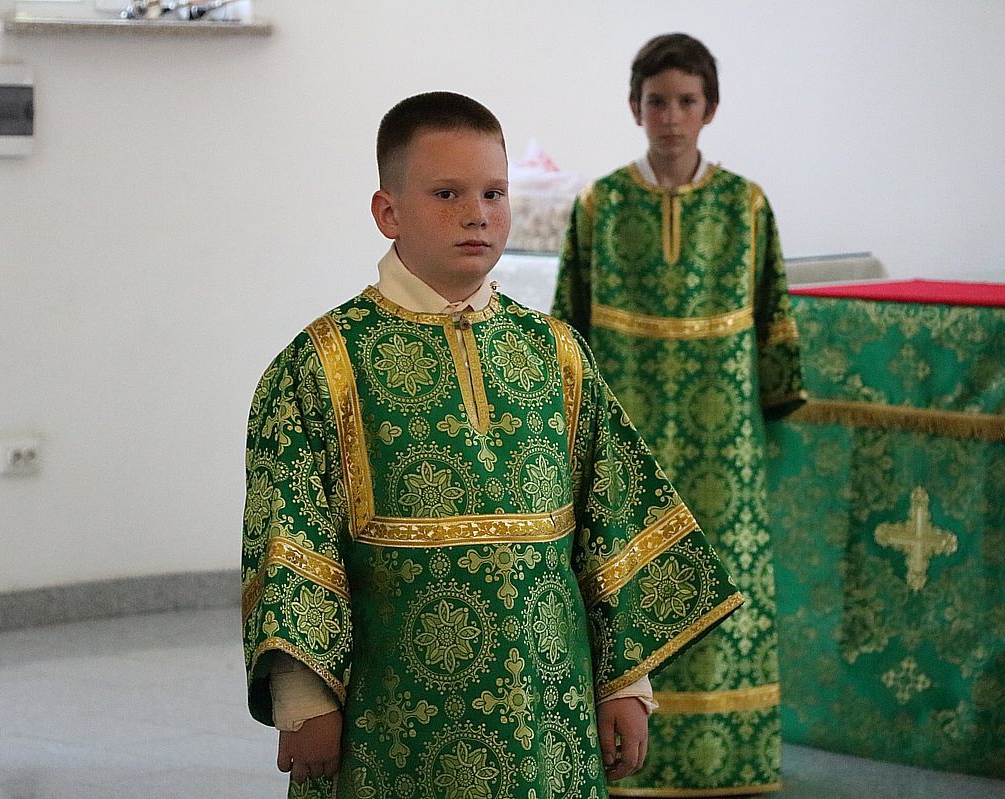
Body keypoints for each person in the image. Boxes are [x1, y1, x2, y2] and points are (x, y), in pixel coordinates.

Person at [242, 90, 744, 798]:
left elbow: (611, 525)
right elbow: (292, 541)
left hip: (549, 715)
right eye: (446, 193)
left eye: (493, 193)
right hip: (391, 721)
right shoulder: (321, 365)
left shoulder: (555, 353)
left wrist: (626, 684)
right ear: (388, 212)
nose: (476, 213)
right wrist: (303, 698)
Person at [552, 34, 806, 797]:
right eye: (656, 101)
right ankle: (622, 751)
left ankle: (728, 758)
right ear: (634, 108)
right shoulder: (598, 205)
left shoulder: (745, 205)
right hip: (624, 432)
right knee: (623, 581)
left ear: (710, 109)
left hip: (723, 443)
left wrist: (772, 401)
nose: (670, 117)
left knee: (725, 581)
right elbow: (568, 323)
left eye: (685, 101)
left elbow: (773, 313)